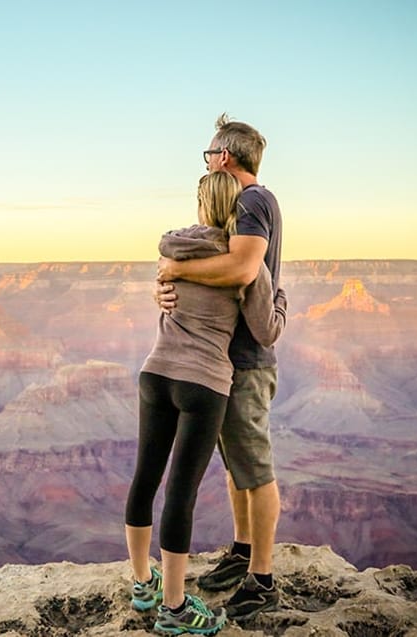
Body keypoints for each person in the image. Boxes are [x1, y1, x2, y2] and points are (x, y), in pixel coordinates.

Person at [126, 169, 287, 635]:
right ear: (234, 211)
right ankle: (174, 611)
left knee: (144, 480)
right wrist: (280, 298)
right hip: (203, 384)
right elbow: (266, 330)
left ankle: (142, 585)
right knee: (181, 492)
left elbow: (167, 287)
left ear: (199, 203)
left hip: (155, 373)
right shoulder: (237, 263)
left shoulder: (172, 249)